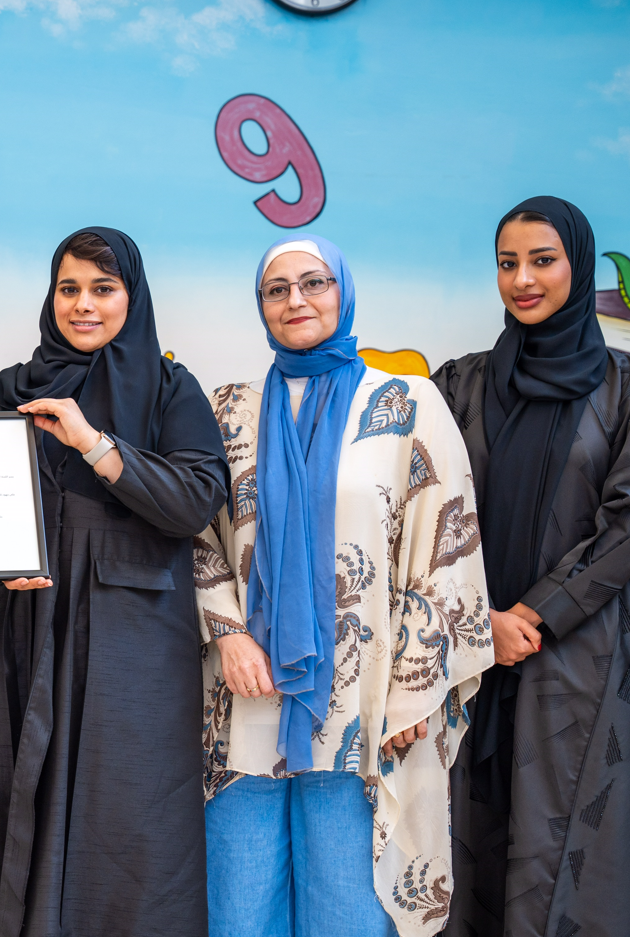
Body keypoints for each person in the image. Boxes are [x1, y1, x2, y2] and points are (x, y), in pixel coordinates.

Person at [0, 228, 229, 936]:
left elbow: (195, 500)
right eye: (69, 289)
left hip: (128, 648)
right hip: (16, 636)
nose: (83, 305)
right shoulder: (11, 388)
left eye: (102, 289)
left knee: (120, 825)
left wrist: (93, 442)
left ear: (132, 296)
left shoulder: (170, 389)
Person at [194, 235, 493, 937]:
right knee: (239, 911)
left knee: (348, 913)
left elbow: (445, 544)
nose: (296, 299)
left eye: (314, 282)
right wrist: (228, 632)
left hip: (366, 705)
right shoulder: (228, 410)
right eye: (277, 288)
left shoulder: (407, 403)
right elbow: (193, 536)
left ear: (343, 291)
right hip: (248, 700)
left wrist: (419, 683)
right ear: (261, 305)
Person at [436, 197, 630, 937]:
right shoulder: (462, 384)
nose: (522, 279)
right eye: (507, 262)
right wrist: (480, 620)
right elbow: (426, 519)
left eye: (542, 260)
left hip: (577, 660)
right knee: (462, 851)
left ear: (576, 266)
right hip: (469, 652)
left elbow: (626, 521)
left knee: (565, 858)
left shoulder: (622, 388)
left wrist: (538, 614)